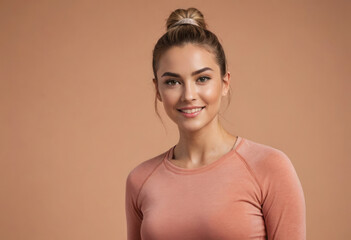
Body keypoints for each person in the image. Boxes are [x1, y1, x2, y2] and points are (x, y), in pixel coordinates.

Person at [125, 7, 306, 240]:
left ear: (225, 82)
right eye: (172, 82)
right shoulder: (140, 180)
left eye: (202, 78)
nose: (188, 95)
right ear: (158, 90)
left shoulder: (270, 168)